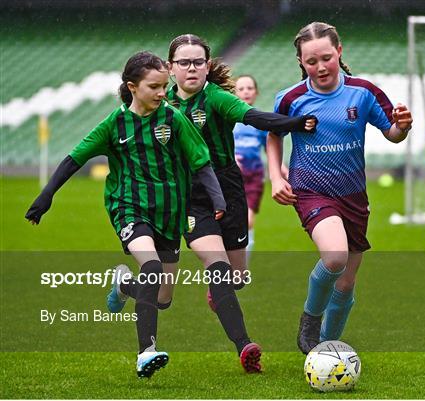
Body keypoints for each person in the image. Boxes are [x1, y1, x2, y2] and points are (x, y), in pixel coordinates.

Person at [25, 51, 225, 378]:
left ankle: (123, 286)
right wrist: (47, 195)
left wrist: (218, 200)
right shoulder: (114, 124)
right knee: (152, 266)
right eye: (155, 87)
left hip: (169, 213)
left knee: (162, 297)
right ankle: (146, 352)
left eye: (164, 86)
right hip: (129, 208)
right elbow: (74, 159)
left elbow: (201, 161)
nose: (163, 93)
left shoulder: (173, 118)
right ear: (133, 87)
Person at [166, 34, 317, 372]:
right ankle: (245, 347)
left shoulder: (217, 98)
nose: (191, 68)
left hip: (229, 188)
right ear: (170, 67)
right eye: (184, 62)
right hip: (190, 197)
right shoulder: (161, 106)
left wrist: (294, 124)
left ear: (207, 66)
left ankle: (219, 292)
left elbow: (254, 118)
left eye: (198, 62)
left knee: (237, 278)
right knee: (217, 270)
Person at [266, 22, 413, 354]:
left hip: (353, 196)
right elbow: (274, 135)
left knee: (346, 283)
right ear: (301, 62)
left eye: (326, 58)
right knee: (334, 258)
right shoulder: (291, 98)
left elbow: (392, 131)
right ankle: (310, 320)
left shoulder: (363, 92)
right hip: (310, 191)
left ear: (340, 52)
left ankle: (326, 349)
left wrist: (402, 128)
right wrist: (277, 177)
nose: (320, 67)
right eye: (311, 61)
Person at [233, 75, 288, 261]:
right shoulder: (226, 121)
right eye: (241, 89)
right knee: (228, 223)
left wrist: (285, 173)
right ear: (233, 93)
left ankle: (242, 269)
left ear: (256, 92)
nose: (246, 92)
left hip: (253, 178)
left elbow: (271, 151)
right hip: (229, 178)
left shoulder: (260, 122)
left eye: (249, 88)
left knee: (247, 221)